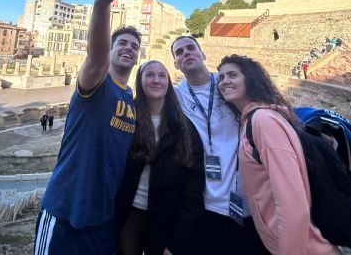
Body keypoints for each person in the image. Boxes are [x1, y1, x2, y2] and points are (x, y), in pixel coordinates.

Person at [34, 0, 150, 255]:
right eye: (122, 43)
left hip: (103, 220)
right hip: (65, 212)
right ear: (110, 49)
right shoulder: (96, 82)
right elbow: (96, 59)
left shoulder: (132, 101)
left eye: (134, 46)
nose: (129, 48)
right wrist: (102, 4)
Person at [217, 54, 339, 255]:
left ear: (250, 79)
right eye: (221, 77)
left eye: (232, 75)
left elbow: (292, 202)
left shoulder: (263, 121)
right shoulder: (253, 119)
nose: (224, 81)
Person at [170, 36, 268, 253]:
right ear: (176, 64)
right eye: (179, 52)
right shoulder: (176, 95)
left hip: (248, 198)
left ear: (203, 54)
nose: (186, 53)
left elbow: (267, 106)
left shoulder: (227, 84)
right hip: (207, 201)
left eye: (191, 48)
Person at [115, 60, 205, 255]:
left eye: (162, 75)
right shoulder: (128, 119)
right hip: (130, 215)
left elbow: (194, 186)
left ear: (168, 83)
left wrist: (177, 242)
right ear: (140, 81)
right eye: (149, 75)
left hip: (166, 219)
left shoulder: (184, 127)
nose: (156, 80)